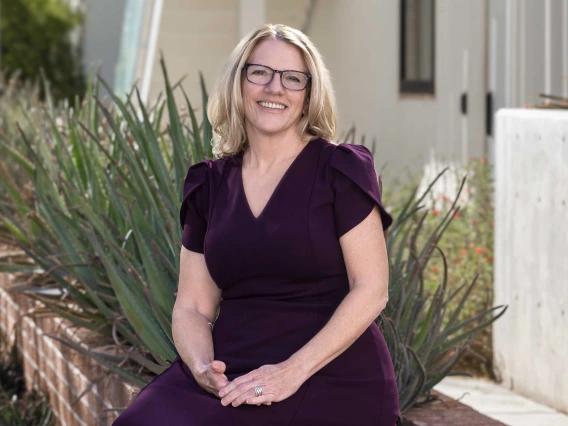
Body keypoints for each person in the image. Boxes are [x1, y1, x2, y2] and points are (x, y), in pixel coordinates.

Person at [113, 23, 401, 426]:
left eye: (292, 78)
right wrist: (201, 369)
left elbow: (372, 290)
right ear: (238, 82)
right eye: (259, 72)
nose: (274, 88)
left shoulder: (340, 170)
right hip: (232, 371)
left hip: (329, 372)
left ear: (309, 94)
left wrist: (291, 372)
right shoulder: (209, 185)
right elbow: (193, 306)